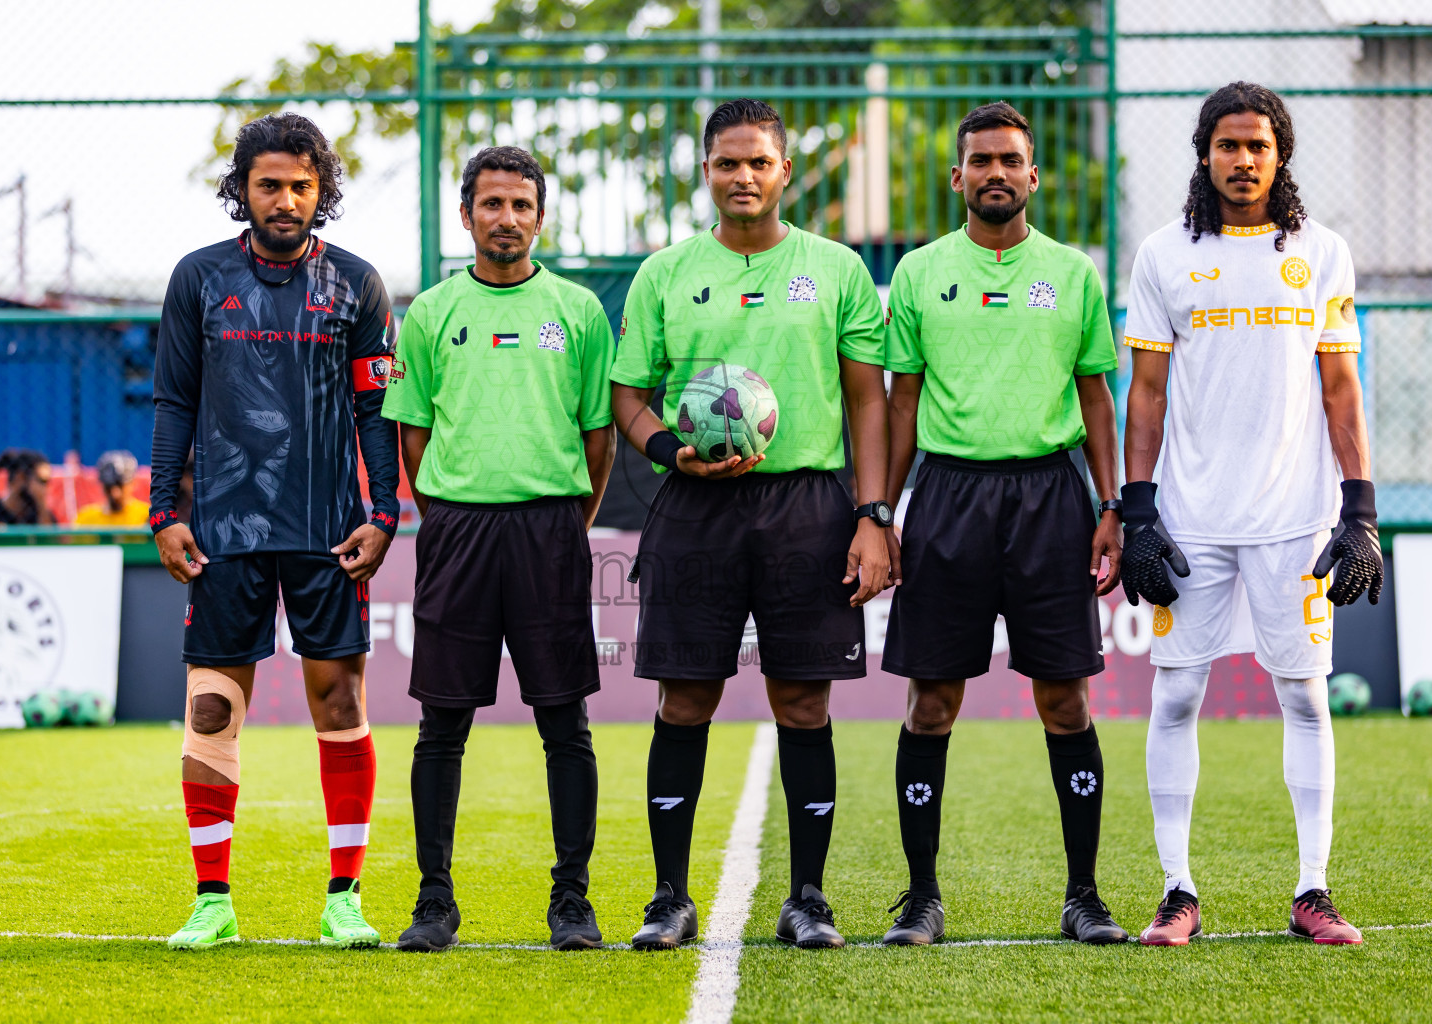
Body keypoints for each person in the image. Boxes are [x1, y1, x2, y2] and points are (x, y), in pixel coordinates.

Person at [611, 99, 890, 951]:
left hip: (808, 502)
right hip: (695, 504)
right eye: (727, 163)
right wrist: (669, 448)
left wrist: (873, 515)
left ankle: (808, 897)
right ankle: (669, 899)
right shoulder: (665, 272)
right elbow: (628, 393)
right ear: (707, 172)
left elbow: (866, 400)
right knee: (685, 696)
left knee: (802, 701)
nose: (743, 177)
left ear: (784, 172)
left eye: (758, 163)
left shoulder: (836, 268)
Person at [1121, 82, 1381, 946]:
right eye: (1228, 145)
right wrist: (1139, 513)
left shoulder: (1323, 253)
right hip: (1191, 521)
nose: (1243, 160)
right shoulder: (1163, 254)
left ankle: (1313, 890)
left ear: (1280, 155)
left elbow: (1342, 389)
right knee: (1177, 693)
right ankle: (1176, 891)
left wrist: (1361, 512)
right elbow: (1146, 393)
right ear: (1204, 153)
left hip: (1296, 520)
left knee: (1305, 696)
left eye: (1258, 146)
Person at [150, 112, 400, 950]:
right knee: (213, 710)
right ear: (243, 190)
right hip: (224, 530)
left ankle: (344, 899)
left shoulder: (358, 285)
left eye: (301, 184)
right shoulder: (197, 279)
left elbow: (377, 409)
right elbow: (174, 402)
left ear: (321, 190)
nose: (286, 199)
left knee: (340, 702)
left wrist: (384, 510)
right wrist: (162, 510)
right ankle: (212, 902)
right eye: (270, 184)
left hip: (330, 532)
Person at [879, 102, 1127, 947]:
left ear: (1031, 175)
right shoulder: (918, 273)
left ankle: (1084, 896)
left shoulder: (1074, 273)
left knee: (1065, 699)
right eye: (979, 161)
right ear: (957, 177)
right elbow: (899, 401)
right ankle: (921, 899)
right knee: (931, 703)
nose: (994, 174)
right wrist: (880, 511)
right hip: (947, 497)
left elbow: (1098, 395)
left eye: (1009, 161)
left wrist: (1111, 505)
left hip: (1051, 500)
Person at [383, 147, 616, 952]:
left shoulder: (579, 310)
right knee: (441, 724)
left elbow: (599, 434)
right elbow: (412, 434)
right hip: (458, 530)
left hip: (551, 527)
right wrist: (449, 508)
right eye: (492, 205)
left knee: (565, 721)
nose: (507, 218)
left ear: (540, 217)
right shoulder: (430, 312)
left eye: (522, 205)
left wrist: (566, 516)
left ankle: (572, 902)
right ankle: (434, 902)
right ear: (467, 216)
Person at [0, 448, 53, 525]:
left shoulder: (41, 518)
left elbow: (52, 540)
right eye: (42, 481)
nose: (45, 489)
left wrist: (41, 506)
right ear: (20, 477)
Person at [75, 450, 150, 526]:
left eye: (121, 486)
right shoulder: (86, 519)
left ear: (133, 483)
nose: (115, 493)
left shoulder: (146, 517)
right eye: (109, 487)